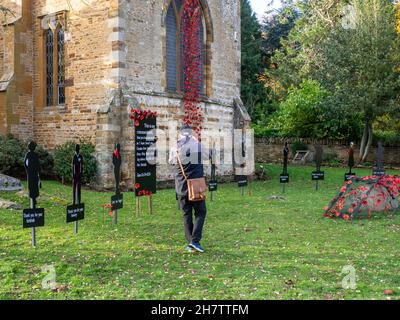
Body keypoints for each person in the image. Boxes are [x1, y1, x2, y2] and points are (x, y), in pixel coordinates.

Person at [169, 124, 209, 253]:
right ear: (191, 133)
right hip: (196, 185)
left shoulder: (175, 147)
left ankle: (190, 242)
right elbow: (207, 156)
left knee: (186, 214)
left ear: (180, 133)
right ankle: (195, 241)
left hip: (181, 186)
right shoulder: (197, 145)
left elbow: (171, 162)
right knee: (200, 212)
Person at [24, 141, 41, 208]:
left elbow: (37, 165)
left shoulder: (34, 155)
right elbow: (25, 163)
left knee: (33, 186)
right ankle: (33, 199)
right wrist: (28, 170)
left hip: (33, 173)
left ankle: (34, 199)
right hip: (32, 173)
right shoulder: (29, 154)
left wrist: (38, 173)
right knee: (32, 186)